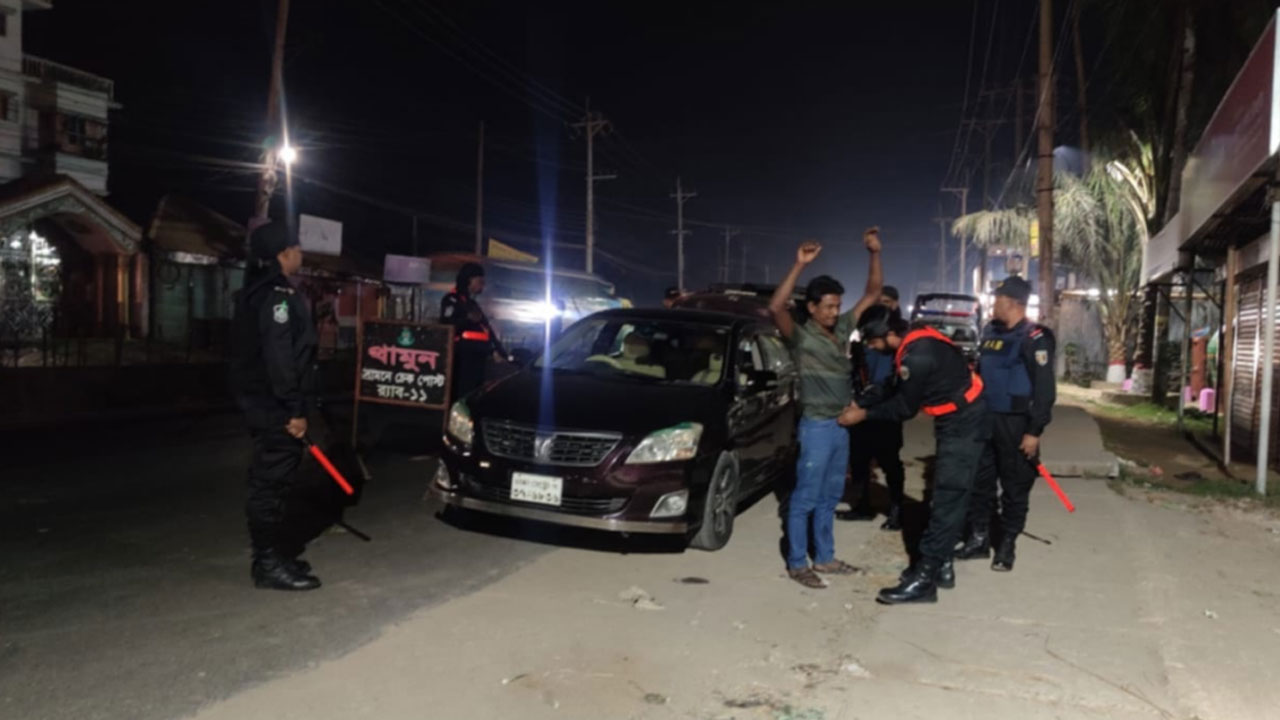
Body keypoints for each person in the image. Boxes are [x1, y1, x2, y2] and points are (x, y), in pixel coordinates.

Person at [838, 304, 987, 604]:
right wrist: (865, 400)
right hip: (959, 417)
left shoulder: (916, 356)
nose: (871, 347)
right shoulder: (915, 339)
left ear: (888, 334)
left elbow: (904, 407)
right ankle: (942, 567)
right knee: (949, 498)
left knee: (946, 499)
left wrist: (863, 415)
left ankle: (925, 580)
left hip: (964, 422)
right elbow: (894, 385)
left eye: (873, 341)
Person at [768, 228, 883, 589]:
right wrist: (799, 265)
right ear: (812, 308)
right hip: (816, 427)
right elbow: (775, 307)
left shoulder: (844, 327)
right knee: (805, 498)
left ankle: (825, 557)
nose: (835, 312)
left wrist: (874, 253)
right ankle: (797, 562)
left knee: (831, 497)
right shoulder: (800, 336)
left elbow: (873, 293)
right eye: (828, 307)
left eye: (837, 305)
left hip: (840, 426)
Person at [229, 221, 321, 591]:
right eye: (296, 248)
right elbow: (280, 357)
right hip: (275, 407)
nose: (301, 253)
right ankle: (266, 564)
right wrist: (294, 409)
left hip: (267, 402)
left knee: (277, 482)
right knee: (271, 484)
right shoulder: (276, 296)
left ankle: (274, 555)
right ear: (284, 254)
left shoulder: (259, 290)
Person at [955, 276, 1056, 571]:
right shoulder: (990, 332)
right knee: (980, 482)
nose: (992, 305)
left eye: (997, 300)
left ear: (1012, 303)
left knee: (1015, 485)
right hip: (985, 419)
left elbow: (1044, 390)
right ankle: (979, 539)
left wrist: (1034, 431)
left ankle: (1007, 545)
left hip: (1016, 423)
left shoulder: (1035, 337)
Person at [840, 286, 907, 526]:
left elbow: (888, 383)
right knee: (859, 459)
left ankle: (897, 509)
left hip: (885, 410)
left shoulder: (896, 337)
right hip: (861, 407)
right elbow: (856, 367)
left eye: (887, 302)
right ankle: (863, 505)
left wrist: (859, 403)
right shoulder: (865, 333)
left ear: (895, 305)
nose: (882, 306)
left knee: (889, 462)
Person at [440, 263, 507, 400]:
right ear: (469, 280)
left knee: (475, 395)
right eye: (480, 281)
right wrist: (467, 319)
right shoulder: (452, 300)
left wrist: (498, 350)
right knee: (463, 395)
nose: (482, 285)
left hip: (478, 359)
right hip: (462, 359)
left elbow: (486, 330)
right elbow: (446, 325)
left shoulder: (472, 304)